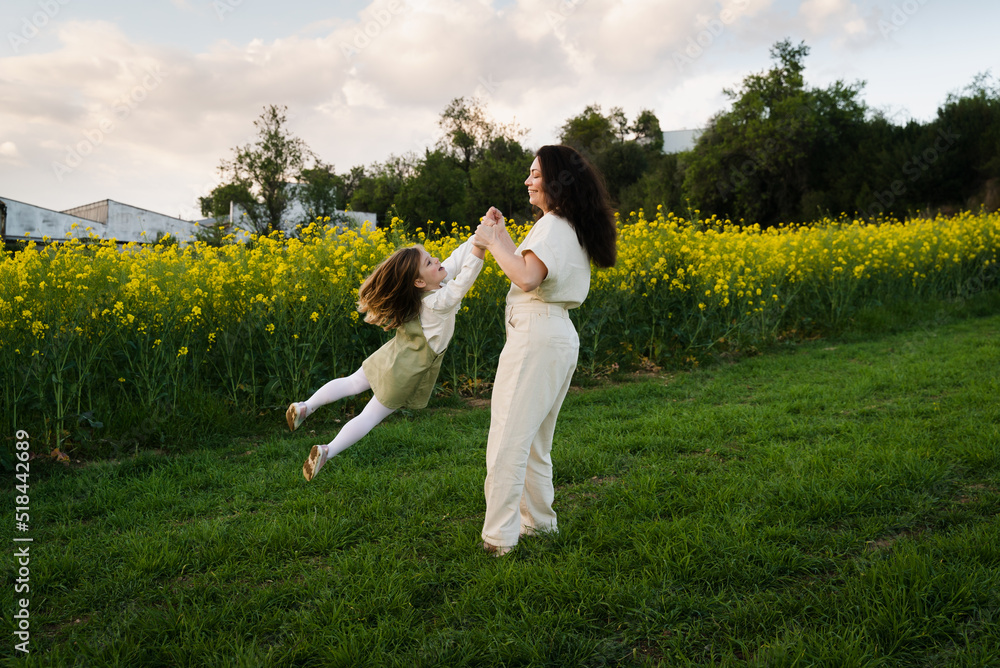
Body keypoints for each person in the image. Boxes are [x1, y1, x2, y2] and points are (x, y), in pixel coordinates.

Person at [473, 144, 617, 556]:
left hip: (536, 336)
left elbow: (527, 278)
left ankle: (499, 538)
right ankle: (540, 525)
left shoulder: (553, 226)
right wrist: (502, 236)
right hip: (555, 334)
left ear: (556, 181)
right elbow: (532, 269)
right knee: (534, 441)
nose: (528, 181)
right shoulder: (564, 225)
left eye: (535, 174)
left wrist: (492, 242)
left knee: (508, 439)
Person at [287, 232, 485, 481]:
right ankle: (328, 450)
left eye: (432, 257)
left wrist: (480, 234)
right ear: (419, 282)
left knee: (352, 382)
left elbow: (455, 260)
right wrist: (481, 248)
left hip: (393, 353)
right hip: (405, 372)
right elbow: (463, 282)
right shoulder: (438, 301)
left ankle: (305, 406)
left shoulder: (429, 287)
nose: (437, 260)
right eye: (429, 262)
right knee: (369, 416)